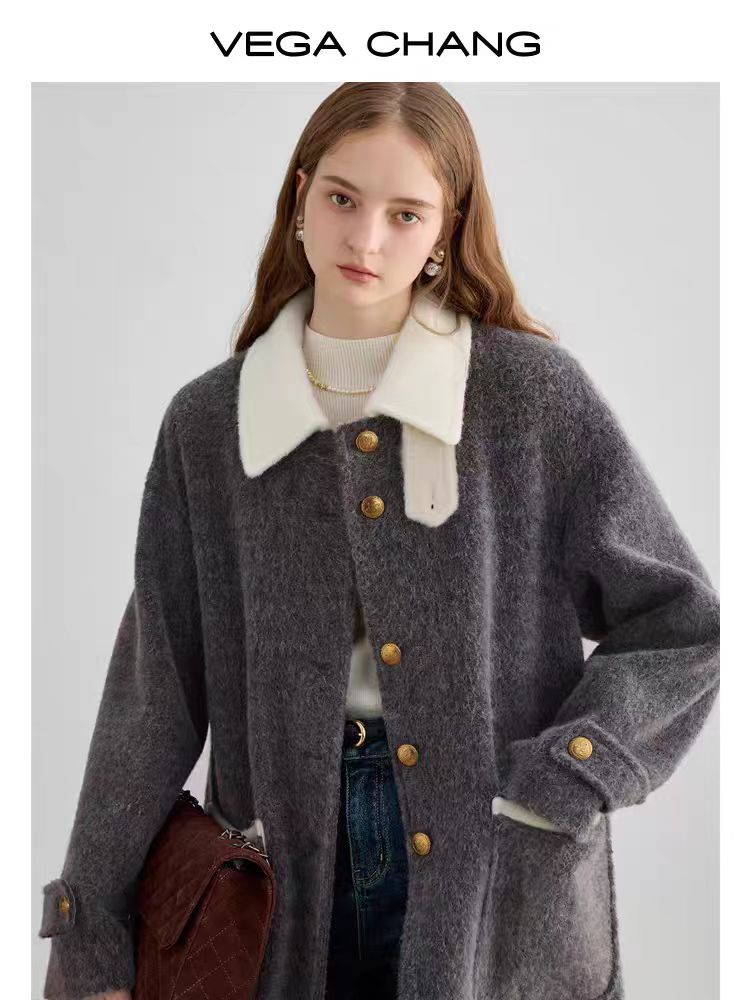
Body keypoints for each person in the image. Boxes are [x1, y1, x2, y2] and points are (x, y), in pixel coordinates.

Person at [38, 82, 719, 1000]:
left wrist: (568, 776)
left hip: (495, 855)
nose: (365, 240)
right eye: (342, 198)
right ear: (300, 197)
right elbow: (153, 691)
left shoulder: (529, 399)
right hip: (280, 870)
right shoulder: (208, 425)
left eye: (405, 214)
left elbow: (682, 623)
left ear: (446, 229)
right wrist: (90, 932)